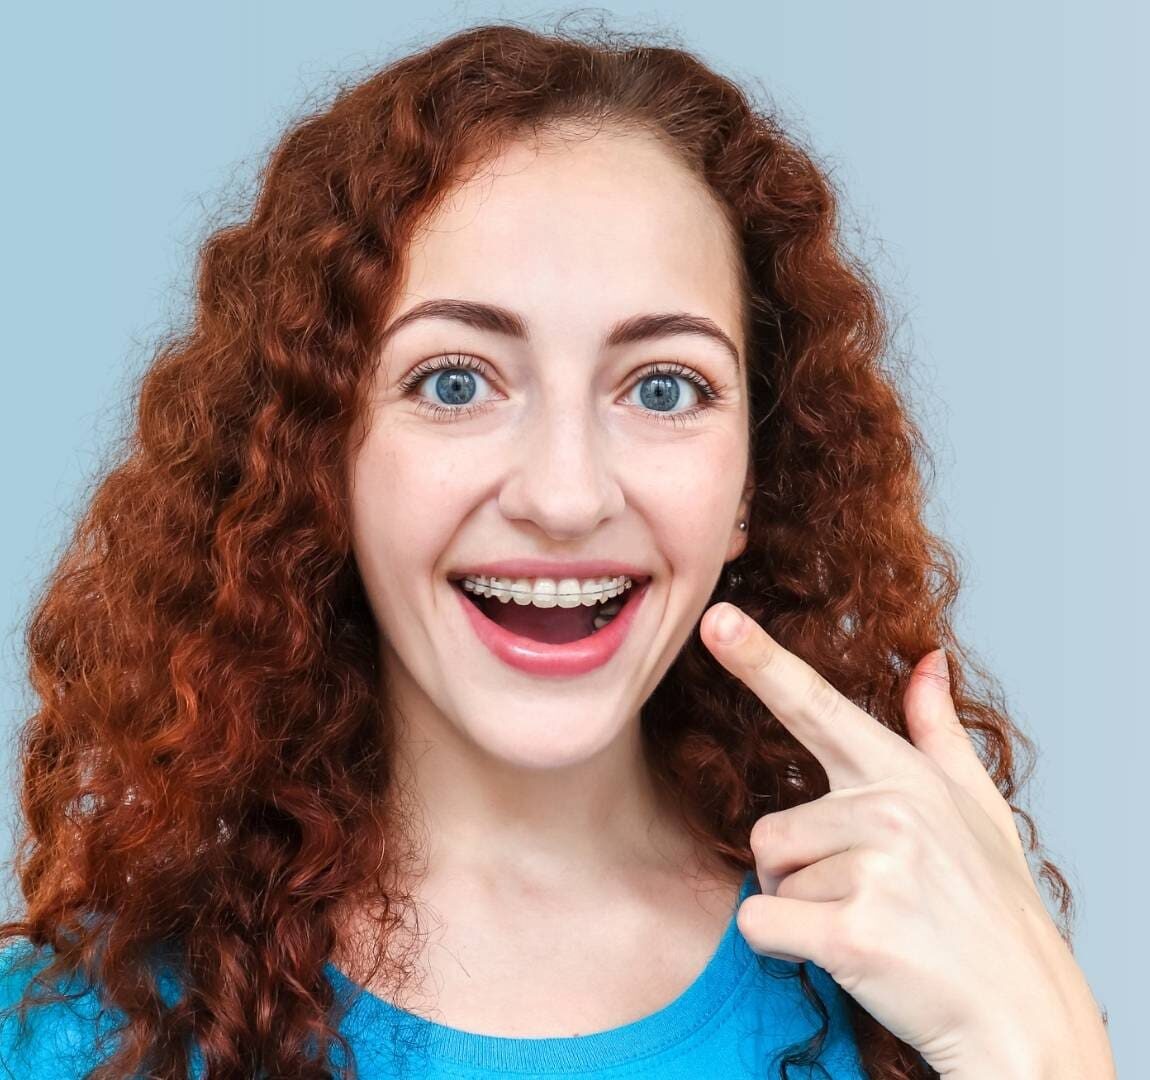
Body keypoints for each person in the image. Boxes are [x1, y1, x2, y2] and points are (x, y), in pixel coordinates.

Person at [0, 17, 1114, 1080]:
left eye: (664, 387)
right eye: (454, 382)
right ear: (323, 461)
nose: (566, 495)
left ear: (749, 485)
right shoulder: (64, 1036)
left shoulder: (918, 999)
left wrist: (1048, 1058)